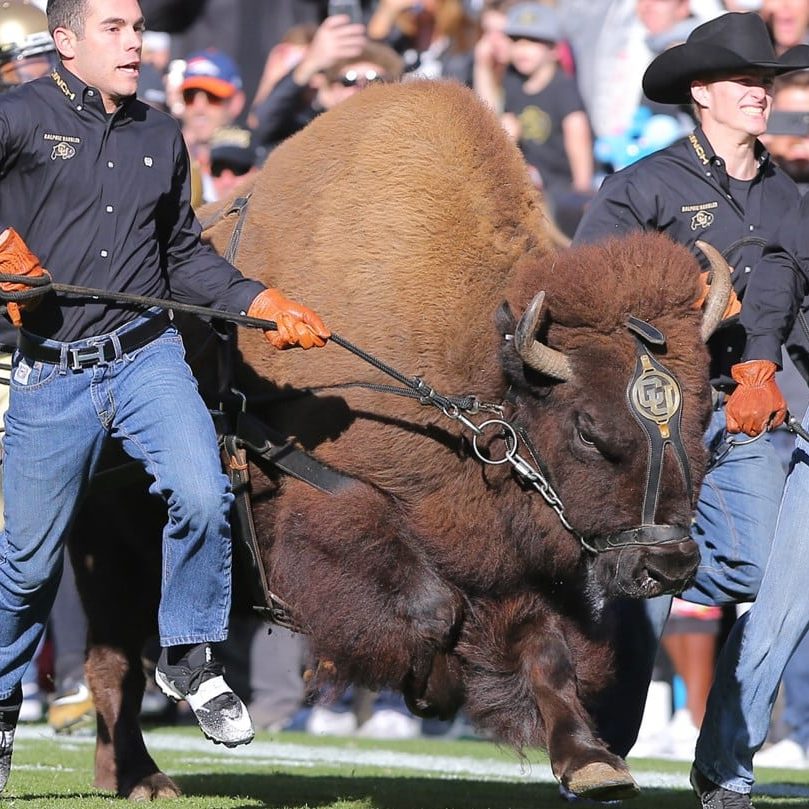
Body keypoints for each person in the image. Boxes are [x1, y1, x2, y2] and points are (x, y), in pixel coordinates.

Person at [0, 0, 330, 794]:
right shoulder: (18, 114)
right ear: (68, 40)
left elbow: (181, 253)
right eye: (114, 28)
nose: (134, 42)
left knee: (204, 491)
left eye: (139, 28)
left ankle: (188, 655)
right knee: (25, 567)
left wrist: (257, 301)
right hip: (52, 367)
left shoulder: (157, 133)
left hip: (147, 355)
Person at [572, 12, 809, 806]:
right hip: (658, 412)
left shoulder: (786, 196)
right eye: (745, 82)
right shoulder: (642, 184)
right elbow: (585, 294)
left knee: (754, 569)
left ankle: (621, 570)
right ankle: (598, 755)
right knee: (647, 578)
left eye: (767, 82)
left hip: (751, 406)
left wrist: (762, 358)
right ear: (701, 92)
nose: (761, 94)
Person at [475, 2, 593, 219]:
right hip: (526, 191)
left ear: (554, 50)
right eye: (516, 40)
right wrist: (482, 65)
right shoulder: (512, 81)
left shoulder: (563, 87)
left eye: (533, 41)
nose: (522, 48)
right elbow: (487, 112)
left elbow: (578, 139)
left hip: (561, 193)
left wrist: (582, 194)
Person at [253, 32, 403, 153]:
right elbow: (264, 122)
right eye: (348, 81)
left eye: (375, 79)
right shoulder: (309, 134)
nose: (361, 88)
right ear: (330, 91)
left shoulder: (403, 135)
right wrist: (308, 65)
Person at [178, 47, 245, 203]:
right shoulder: (164, 157)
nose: (199, 108)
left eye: (212, 97)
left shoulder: (251, 164)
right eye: (190, 97)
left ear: (236, 103)